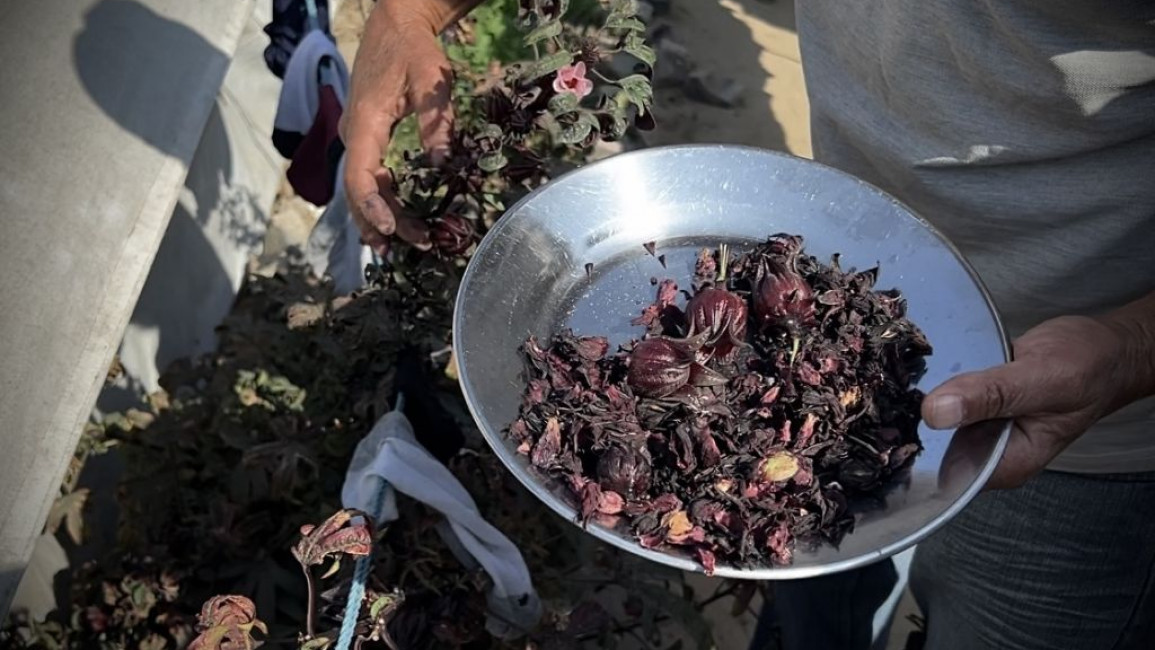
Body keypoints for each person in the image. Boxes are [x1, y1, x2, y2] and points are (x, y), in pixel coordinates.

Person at [340, 0, 1155, 648]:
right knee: (811, 588)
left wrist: (1129, 349)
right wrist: (411, 10)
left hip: (1087, 417)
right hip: (845, 251)